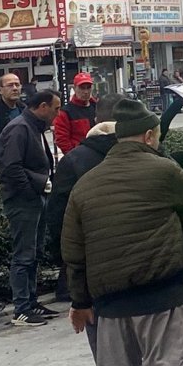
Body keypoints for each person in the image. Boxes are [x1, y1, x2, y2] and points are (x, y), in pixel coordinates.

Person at [61, 99, 183, 366]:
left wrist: (80, 301)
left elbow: (73, 252)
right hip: (162, 297)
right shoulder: (163, 170)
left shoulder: (85, 185)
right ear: (149, 137)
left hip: (110, 305)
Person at [46, 94, 122, 305]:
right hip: (146, 277)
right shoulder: (150, 154)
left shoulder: (74, 161)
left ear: (96, 120)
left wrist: (64, 254)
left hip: (93, 266)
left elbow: (57, 215)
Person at [0, 89, 62, 326]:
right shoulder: (19, 128)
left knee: (33, 254)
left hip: (35, 198)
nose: (57, 113)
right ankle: (21, 308)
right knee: (24, 255)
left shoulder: (32, 127)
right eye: (55, 108)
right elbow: (10, 168)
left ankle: (31, 302)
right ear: (43, 107)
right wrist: (32, 190)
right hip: (24, 201)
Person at [54, 72, 98, 155]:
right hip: (80, 157)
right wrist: (73, 157)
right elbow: (62, 139)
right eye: (82, 88)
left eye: (88, 88)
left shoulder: (97, 107)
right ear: (74, 88)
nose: (86, 91)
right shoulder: (65, 112)